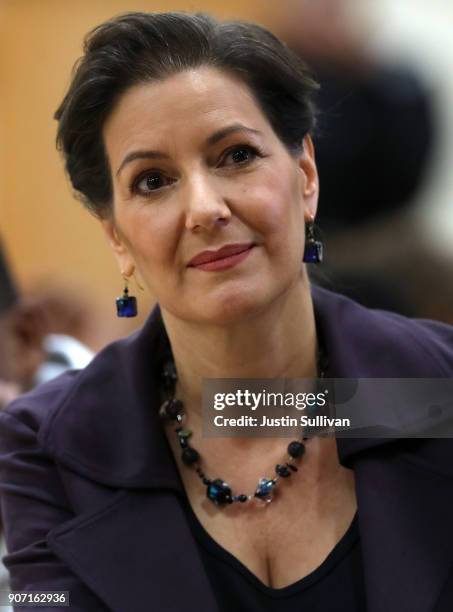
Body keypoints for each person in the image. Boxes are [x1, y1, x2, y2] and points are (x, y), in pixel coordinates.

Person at [0, 11, 452, 612]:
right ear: (115, 236)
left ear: (305, 174)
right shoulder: (47, 451)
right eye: (153, 180)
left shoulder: (433, 391)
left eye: (236, 156)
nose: (204, 207)